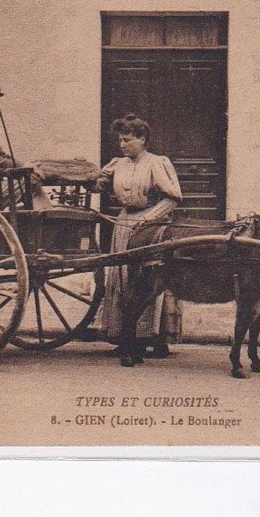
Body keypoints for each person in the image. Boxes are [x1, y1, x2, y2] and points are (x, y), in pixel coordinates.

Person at [97, 114, 182, 362]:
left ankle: (153, 337)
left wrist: (149, 219)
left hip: (151, 227)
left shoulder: (157, 163)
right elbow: (99, 182)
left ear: (142, 139)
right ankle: (124, 336)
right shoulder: (117, 163)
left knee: (152, 277)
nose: (123, 145)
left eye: (128, 140)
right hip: (124, 224)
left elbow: (173, 198)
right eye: (120, 141)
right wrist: (99, 180)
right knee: (122, 276)